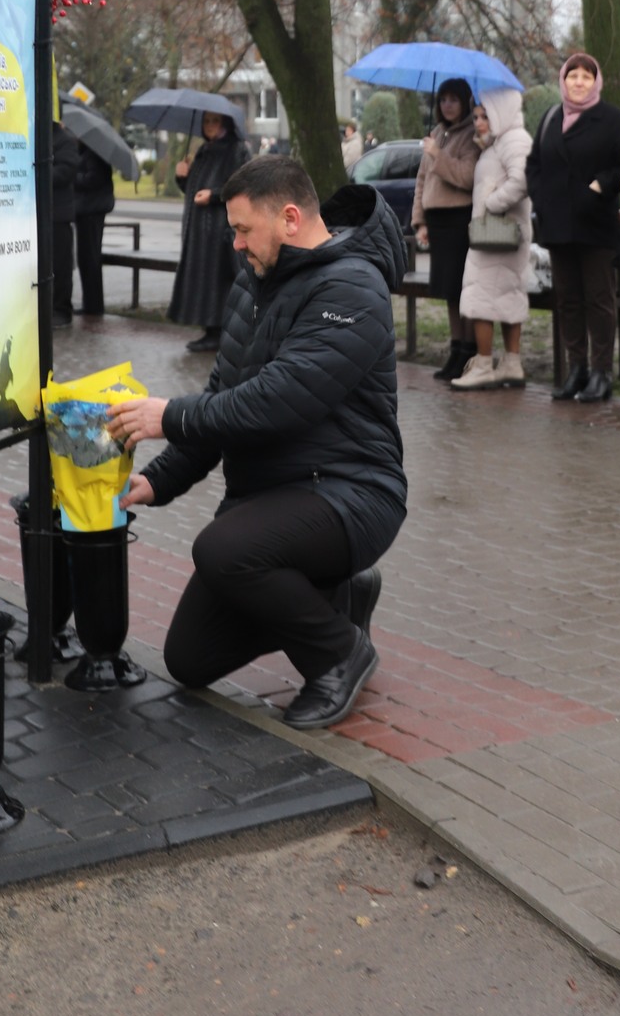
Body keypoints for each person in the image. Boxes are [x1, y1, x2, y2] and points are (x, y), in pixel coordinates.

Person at [108, 155, 407, 731]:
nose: (238, 245)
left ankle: (339, 653)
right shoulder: (255, 284)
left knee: (222, 549)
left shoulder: (353, 287)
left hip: (352, 492)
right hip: (273, 499)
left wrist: (168, 415)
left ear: (290, 218)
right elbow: (226, 395)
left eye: (244, 230)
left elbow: (278, 399)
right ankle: (335, 596)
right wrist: (159, 478)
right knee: (190, 659)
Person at [526, 53, 620, 403]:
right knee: (568, 300)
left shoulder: (612, 120)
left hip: (596, 225)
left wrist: (603, 184)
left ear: (596, 82)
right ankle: (577, 369)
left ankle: (601, 372)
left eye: (586, 76)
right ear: (563, 80)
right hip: (557, 226)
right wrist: (542, 202)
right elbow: (534, 165)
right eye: (572, 75)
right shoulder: (550, 117)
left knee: (599, 300)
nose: (578, 82)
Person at [453, 90, 534, 391]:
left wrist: (493, 202)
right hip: (500, 234)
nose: (478, 122)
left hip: (498, 232)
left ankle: (484, 363)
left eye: (486, 116)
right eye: (476, 117)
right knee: (506, 295)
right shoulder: (503, 141)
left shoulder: (515, 140)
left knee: (481, 297)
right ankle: (511, 363)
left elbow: (522, 180)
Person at [411, 78, 480, 382]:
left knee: (463, 289)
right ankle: (455, 348)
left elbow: (467, 177)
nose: (447, 105)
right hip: (437, 222)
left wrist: (439, 155)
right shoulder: (437, 133)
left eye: (454, 99)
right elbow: (421, 181)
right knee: (448, 291)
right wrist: (420, 221)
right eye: (443, 100)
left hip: (459, 220)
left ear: (465, 101)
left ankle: (469, 350)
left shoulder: (471, 135)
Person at [167, 110, 250, 352]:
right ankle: (209, 329)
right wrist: (182, 177)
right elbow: (194, 191)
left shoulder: (236, 149)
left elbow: (243, 185)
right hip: (199, 232)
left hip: (220, 229)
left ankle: (219, 332)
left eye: (215, 121)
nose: (210, 126)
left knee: (218, 280)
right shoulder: (204, 150)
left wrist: (214, 195)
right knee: (204, 279)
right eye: (206, 121)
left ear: (225, 123)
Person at [74, 141, 116, 318]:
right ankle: (91, 303)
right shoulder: (88, 151)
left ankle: (94, 306)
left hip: (92, 211)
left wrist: (73, 176)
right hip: (86, 211)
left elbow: (94, 179)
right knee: (86, 259)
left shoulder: (95, 153)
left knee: (90, 258)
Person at [51, 120, 80, 330]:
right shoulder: (34, 136)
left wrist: (39, 172)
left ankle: (62, 310)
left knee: (60, 266)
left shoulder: (65, 141)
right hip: (38, 214)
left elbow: (65, 173)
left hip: (58, 215)